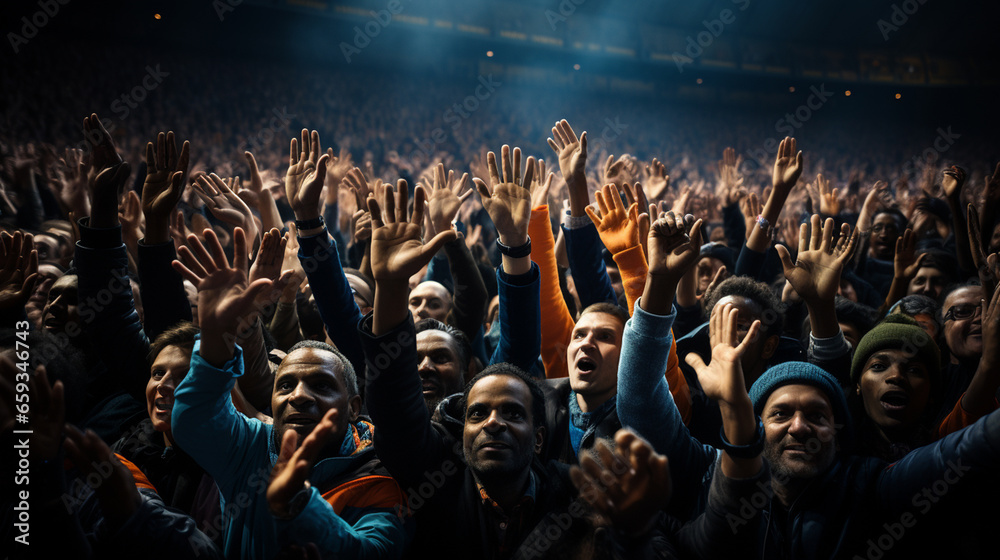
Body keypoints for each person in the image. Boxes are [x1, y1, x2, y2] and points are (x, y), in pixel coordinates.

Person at [170, 226, 410, 559]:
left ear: (354, 408)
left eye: (321, 385)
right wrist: (215, 338)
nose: (298, 396)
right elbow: (193, 422)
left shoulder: (375, 471)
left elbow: (373, 552)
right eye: (285, 385)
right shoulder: (252, 447)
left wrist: (299, 504)